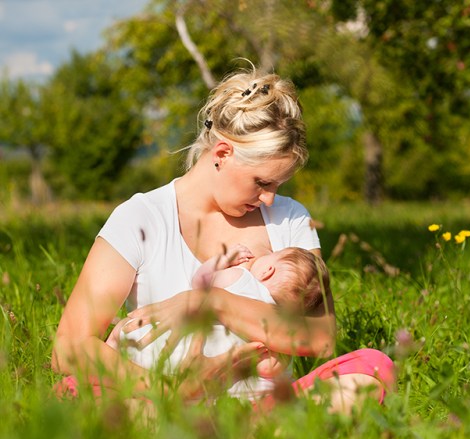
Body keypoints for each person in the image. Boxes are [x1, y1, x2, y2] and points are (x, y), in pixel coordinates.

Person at [52, 65, 395, 413]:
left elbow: (319, 338)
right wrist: (169, 388)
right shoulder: (142, 217)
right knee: (76, 389)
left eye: (278, 185)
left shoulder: (291, 219)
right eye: (262, 182)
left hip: (261, 405)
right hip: (162, 399)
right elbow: (69, 347)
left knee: (372, 368)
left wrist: (212, 303)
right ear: (222, 154)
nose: (270, 199)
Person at [107, 244, 330, 400]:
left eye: (274, 253)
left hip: (175, 351)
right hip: (211, 376)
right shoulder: (280, 325)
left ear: (268, 270)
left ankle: (110, 348)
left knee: (126, 332)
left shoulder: (241, 278)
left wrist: (222, 261)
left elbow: (200, 283)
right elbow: (268, 368)